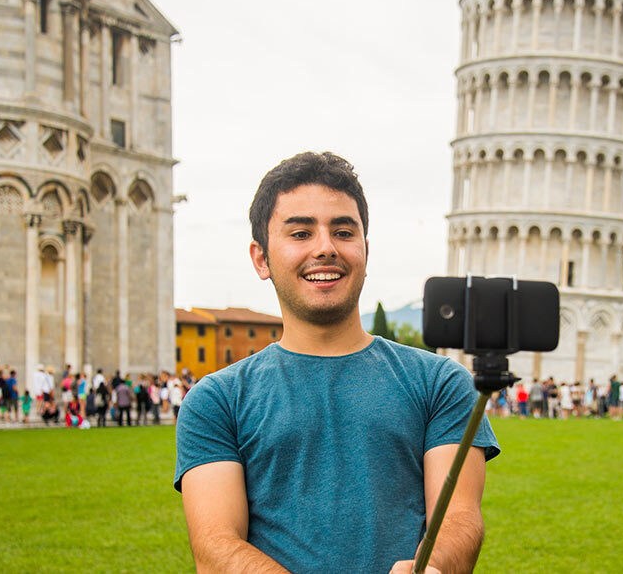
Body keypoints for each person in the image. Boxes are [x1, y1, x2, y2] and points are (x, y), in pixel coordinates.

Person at [174, 151, 499, 573]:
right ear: (261, 258)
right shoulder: (216, 400)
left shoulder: (439, 382)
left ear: (366, 248)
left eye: (344, 231)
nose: (325, 248)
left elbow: (459, 517)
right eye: (300, 234)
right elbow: (216, 547)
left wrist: (431, 567)